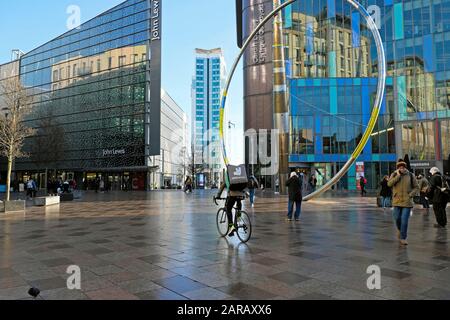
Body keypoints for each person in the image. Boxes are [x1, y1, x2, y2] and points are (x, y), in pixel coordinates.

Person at [388, 159, 419, 245]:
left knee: (404, 220)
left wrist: (410, 195)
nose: (401, 168)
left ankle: (403, 238)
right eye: (400, 167)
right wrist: (397, 176)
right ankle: (400, 230)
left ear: (405, 167)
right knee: (397, 218)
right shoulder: (394, 174)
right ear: (397, 168)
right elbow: (389, 184)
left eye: (403, 167)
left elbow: (416, 187)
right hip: (396, 201)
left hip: (407, 201)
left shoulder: (410, 175)